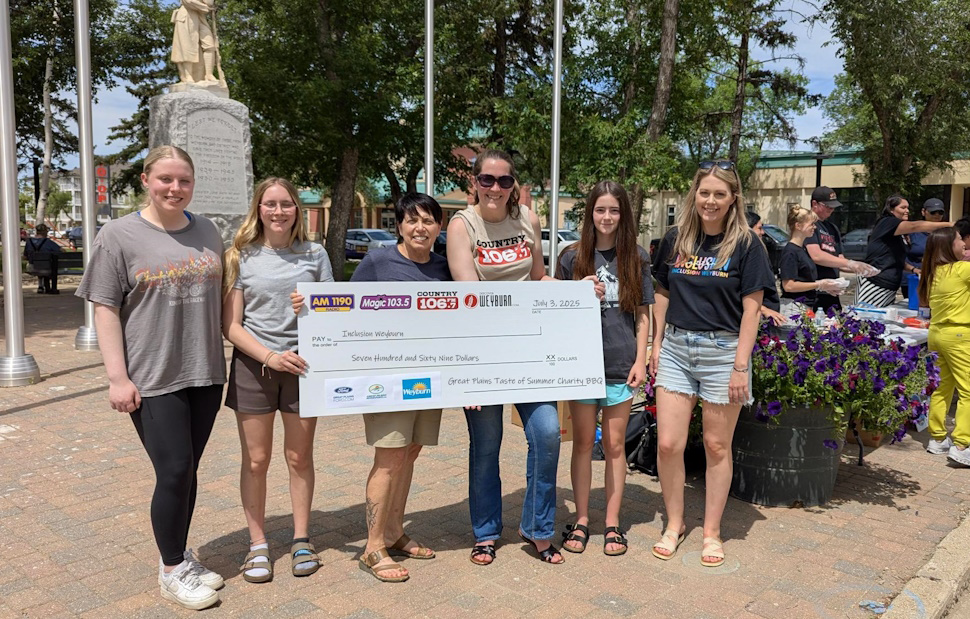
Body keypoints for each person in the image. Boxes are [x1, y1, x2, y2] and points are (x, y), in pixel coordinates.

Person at [76, 146, 226, 610]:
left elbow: (227, 295)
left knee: (188, 470)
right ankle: (171, 570)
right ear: (146, 180)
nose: (175, 188)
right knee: (174, 469)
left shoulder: (208, 230)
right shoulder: (118, 235)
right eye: (165, 179)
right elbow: (104, 308)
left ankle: (179, 556)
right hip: (152, 375)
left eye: (184, 180)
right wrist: (116, 378)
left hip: (204, 371)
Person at [290, 193, 450, 583]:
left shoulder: (444, 268)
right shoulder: (378, 262)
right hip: (386, 380)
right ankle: (373, 546)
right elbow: (344, 307)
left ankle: (394, 532)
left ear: (439, 227)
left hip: (428, 379)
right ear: (400, 225)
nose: (420, 228)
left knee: (410, 452)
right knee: (390, 457)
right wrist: (310, 306)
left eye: (428, 221)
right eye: (411, 220)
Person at [447, 149, 584, 566]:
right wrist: (470, 375)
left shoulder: (528, 219)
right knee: (486, 446)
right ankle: (486, 532)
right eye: (487, 180)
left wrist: (578, 291)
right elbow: (470, 295)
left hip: (529, 352)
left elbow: (539, 278)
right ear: (475, 183)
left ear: (513, 186)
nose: (495, 188)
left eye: (504, 181)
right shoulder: (462, 225)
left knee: (546, 433)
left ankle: (537, 528)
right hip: (483, 353)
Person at [649, 160, 775, 567]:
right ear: (695, 194)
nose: (710, 200)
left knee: (717, 446)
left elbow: (752, 309)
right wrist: (655, 344)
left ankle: (712, 532)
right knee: (668, 444)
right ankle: (674, 523)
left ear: (733, 198)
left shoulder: (747, 245)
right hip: (676, 349)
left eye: (720, 194)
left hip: (723, 353)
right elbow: (662, 293)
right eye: (704, 192)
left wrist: (740, 366)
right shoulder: (676, 238)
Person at [223, 178, 333, 584]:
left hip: (303, 366)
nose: (278, 211)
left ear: (296, 209)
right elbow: (231, 325)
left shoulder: (315, 253)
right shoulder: (240, 255)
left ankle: (301, 539)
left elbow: (336, 312)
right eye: (270, 204)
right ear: (259, 208)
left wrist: (315, 306)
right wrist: (269, 357)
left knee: (299, 457)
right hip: (256, 368)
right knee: (256, 460)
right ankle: (257, 544)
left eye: (286, 204)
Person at [556, 181, 653, 557]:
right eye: (600, 210)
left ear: (623, 214)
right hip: (581, 365)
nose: (607, 217)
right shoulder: (571, 257)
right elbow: (554, 311)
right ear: (590, 213)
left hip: (620, 365)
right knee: (582, 444)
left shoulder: (636, 257)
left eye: (614, 210)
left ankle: (612, 524)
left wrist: (641, 360)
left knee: (614, 446)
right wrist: (576, 291)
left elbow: (642, 315)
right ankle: (581, 519)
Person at [916, 228, 970, 466]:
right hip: (959, 335)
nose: (964, 242)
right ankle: (962, 444)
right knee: (968, 391)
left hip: (937, 334)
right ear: (949, 245)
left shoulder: (932, 273)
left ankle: (937, 438)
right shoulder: (962, 269)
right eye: (959, 239)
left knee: (942, 387)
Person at [858, 195, 952, 307]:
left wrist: (913, 269)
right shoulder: (887, 222)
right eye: (903, 208)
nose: (907, 211)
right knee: (865, 315)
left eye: (907, 208)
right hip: (875, 282)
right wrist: (950, 225)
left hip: (890, 285)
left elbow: (895, 258)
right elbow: (914, 226)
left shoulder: (899, 233)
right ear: (891, 209)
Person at [804, 186, 878, 313]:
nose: (831, 210)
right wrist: (849, 263)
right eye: (828, 206)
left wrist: (860, 268)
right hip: (815, 291)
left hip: (833, 292)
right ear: (814, 204)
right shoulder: (808, 225)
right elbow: (816, 256)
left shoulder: (832, 228)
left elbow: (839, 260)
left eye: (833, 206)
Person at [778, 206, 847, 307]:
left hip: (807, 305)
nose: (814, 227)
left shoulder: (803, 249)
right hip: (794, 307)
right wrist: (819, 285)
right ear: (798, 226)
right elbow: (788, 286)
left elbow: (805, 281)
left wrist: (825, 288)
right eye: (811, 224)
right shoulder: (790, 252)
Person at [744, 211, 785, 325]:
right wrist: (764, 310)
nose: (763, 232)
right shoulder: (744, 255)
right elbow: (739, 291)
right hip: (755, 317)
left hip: (767, 317)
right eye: (759, 228)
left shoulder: (759, 250)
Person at [171, 0, 218, 84]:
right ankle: (188, 76)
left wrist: (208, 6)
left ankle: (209, 74)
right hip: (186, 15)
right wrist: (205, 7)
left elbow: (209, 3)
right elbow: (189, 1)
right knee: (187, 46)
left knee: (210, 45)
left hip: (200, 17)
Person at [905, 198, 946, 273]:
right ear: (923, 212)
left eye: (940, 212)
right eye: (933, 212)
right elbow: (899, 256)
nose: (937, 215)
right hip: (913, 275)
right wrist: (913, 269)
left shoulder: (947, 233)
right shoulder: (912, 231)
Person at [24, 223, 61, 294]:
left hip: (32, 268)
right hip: (47, 269)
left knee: (40, 265)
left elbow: (25, 256)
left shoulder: (29, 242)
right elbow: (61, 250)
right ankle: (49, 288)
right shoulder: (49, 242)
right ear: (45, 232)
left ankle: (40, 286)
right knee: (47, 265)